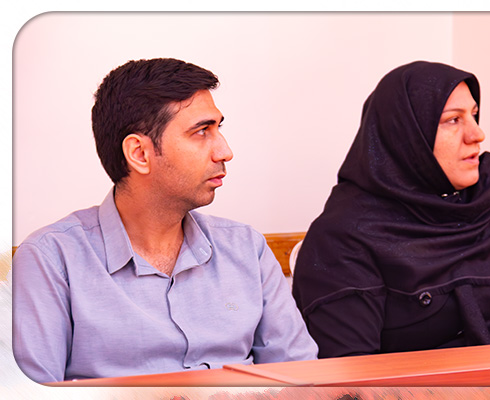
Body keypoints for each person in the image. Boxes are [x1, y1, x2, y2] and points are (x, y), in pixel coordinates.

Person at [12, 58, 318, 383]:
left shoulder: (246, 248)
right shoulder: (51, 259)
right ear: (140, 154)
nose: (224, 151)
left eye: (218, 129)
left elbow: (302, 378)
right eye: (201, 132)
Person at [291, 61, 490, 358]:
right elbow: (349, 371)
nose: (477, 134)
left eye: (474, 115)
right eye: (453, 120)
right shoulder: (343, 237)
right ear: (406, 135)